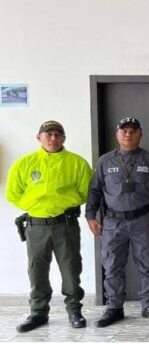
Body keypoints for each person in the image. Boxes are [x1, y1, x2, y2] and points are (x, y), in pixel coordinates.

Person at [5, 121, 91, 332]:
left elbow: (85, 192)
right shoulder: (25, 163)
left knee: (71, 268)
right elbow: (12, 193)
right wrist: (36, 207)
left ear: (64, 138)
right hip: (36, 226)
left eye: (57, 134)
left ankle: (74, 310)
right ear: (39, 138)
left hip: (66, 224)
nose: (53, 138)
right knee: (37, 270)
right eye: (48, 134)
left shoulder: (76, 163)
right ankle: (38, 313)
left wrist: (63, 205)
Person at [85, 117, 149, 327]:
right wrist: (90, 215)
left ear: (140, 134)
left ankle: (148, 305)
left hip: (143, 220)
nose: (128, 134)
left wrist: (140, 204)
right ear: (117, 135)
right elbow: (95, 190)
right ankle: (114, 307)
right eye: (124, 131)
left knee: (147, 263)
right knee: (112, 265)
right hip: (112, 222)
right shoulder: (105, 161)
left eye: (133, 131)